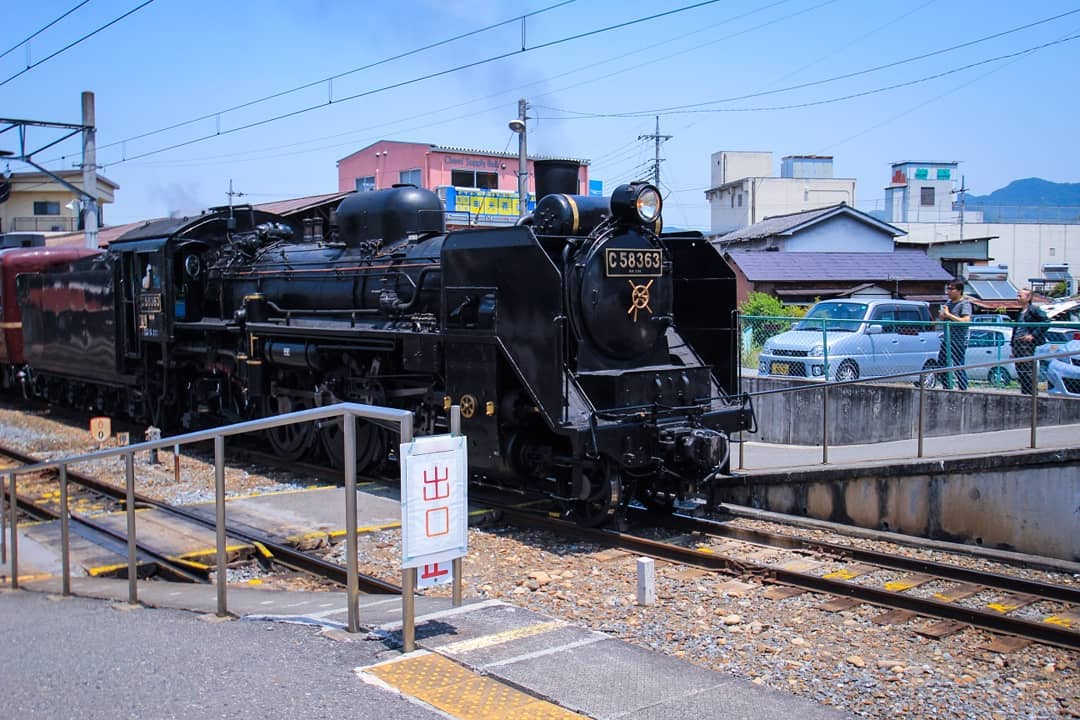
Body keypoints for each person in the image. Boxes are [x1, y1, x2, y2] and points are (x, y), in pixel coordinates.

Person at [1012, 287, 1049, 396]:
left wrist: (1033, 335)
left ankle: (1032, 394)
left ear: (1028, 298)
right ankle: (1025, 393)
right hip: (1018, 344)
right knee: (1020, 370)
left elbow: (1046, 322)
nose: (1018, 298)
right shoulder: (1020, 312)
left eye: (1020, 296)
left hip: (1026, 345)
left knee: (1027, 370)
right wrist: (1012, 344)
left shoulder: (1033, 310)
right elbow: (1016, 328)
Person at [937, 280, 973, 390]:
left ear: (959, 290)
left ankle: (963, 388)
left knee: (958, 366)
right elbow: (944, 319)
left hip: (959, 341)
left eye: (952, 289)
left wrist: (949, 315)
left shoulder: (965, 304)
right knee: (941, 364)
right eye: (948, 289)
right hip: (947, 340)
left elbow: (966, 321)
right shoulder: (948, 303)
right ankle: (947, 387)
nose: (949, 291)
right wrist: (943, 316)